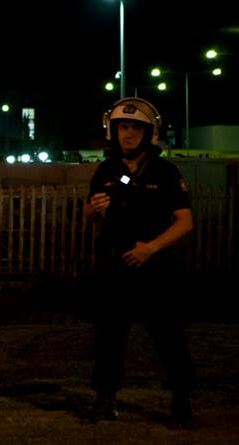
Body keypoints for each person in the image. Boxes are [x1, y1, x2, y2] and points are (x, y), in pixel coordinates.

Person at [82, 97, 195, 429]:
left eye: (135, 128)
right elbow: (88, 212)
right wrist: (91, 209)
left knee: (168, 336)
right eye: (122, 128)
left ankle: (181, 402)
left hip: (155, 268)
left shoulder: (166, 172)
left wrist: (151, 248)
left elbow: (185, 222)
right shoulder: (106, 169)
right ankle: (105, 399)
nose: (128, 134)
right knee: (108, 337)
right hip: (113, 267)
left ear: (149, 133)